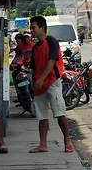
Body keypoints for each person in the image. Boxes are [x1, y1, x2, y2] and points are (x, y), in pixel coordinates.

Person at [29, 16, 73, 153]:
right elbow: (34, 68)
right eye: (31, 28)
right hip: (39, 85)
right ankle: (43, 144)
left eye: (33, 27)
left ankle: (67, 141)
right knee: (42, 116)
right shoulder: (35, 47)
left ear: (42, 28)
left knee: (59, 112)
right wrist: (34, 82)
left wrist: (41, 78)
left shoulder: (52, 41)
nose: (31, 30)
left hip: (53, 81)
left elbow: (52, 61)